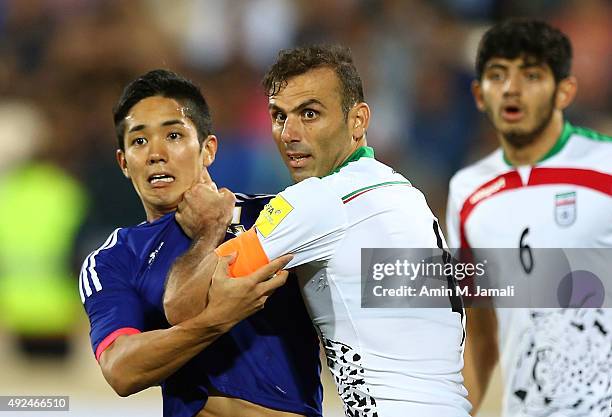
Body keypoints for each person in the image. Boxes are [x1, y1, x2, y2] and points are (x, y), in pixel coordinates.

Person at [165, 45, 470, 417]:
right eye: (279, 116)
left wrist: (207, 231)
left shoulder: (319, 200)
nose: (289, 133)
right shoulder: (403, 194)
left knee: (198, 403)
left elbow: (183, 305)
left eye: (310, 114)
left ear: (357, 120)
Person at [80, 69, 323, 417]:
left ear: (208, 149)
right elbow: (121, 369)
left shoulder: (274, 215)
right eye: (138, 141)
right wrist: (216, 320)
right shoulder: (114, 259)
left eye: (174, 135)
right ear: (123, 163)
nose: (155, 154)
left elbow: (390, 279)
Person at [446, 20, 612, 416]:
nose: (511, 89)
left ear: (565, 90)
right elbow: (479, 326)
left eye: (532, 75)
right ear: (479, 94)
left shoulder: (606, 166)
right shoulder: (467, 191)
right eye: (497, 75)